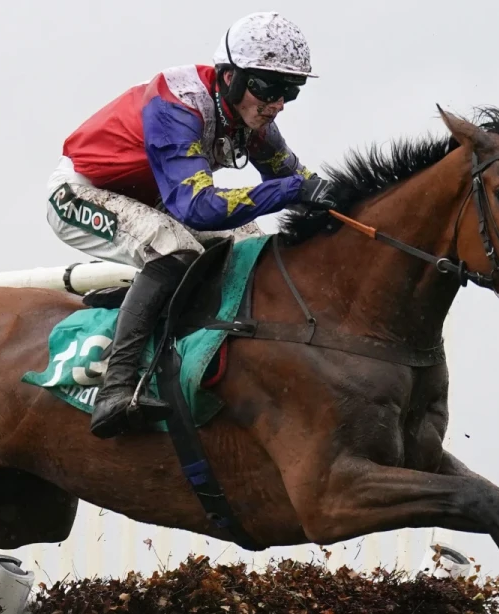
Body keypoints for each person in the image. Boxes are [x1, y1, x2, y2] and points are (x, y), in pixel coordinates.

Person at [44, 11, 341, 439]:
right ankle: (117, 387)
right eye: (267, 88)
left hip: (153, 199)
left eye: (289, 92)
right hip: (79, 192)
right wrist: (294, 191)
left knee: (252, 248)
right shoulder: (176, 104)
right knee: (176, 249)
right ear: (229, 77)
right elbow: (197, 208)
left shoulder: (250, 118)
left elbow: (299, 180)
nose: (277, 104)